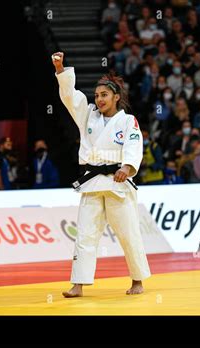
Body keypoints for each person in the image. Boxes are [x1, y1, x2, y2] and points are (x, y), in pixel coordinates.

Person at [52, 51, 151, 297]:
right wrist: (60, 69)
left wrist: (126, 168)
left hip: (118, 182)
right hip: (92, 182)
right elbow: (69, 97)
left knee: (128, 234)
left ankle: (137, 280)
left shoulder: (128, 121)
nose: (99, 99)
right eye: (96, 95)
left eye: (104, 95)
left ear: (116, 97)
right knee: (85, 234)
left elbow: (134, 145)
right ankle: (78, 284)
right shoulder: (88, 116)